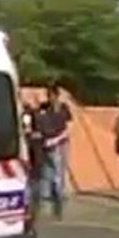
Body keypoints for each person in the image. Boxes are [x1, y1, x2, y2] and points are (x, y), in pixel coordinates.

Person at [36, 83, 73, 219]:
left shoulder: (64, 109)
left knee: (58, 175)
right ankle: (46, 205)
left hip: (59, 144)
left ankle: (59, 206)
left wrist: (56, 140)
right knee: (46, 174)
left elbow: (69, 129)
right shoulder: (44, 108)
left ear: (57, 96)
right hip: (45, 144)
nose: (50, 98)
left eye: (52, 95)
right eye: (48, 95)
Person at [21, 103, 45, 220]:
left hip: (33, 164)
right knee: (35, 184)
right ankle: (35, 207)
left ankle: (34, 207)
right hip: (34, 164)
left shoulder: (32, 136)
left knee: (34, 184)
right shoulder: (37, 135)